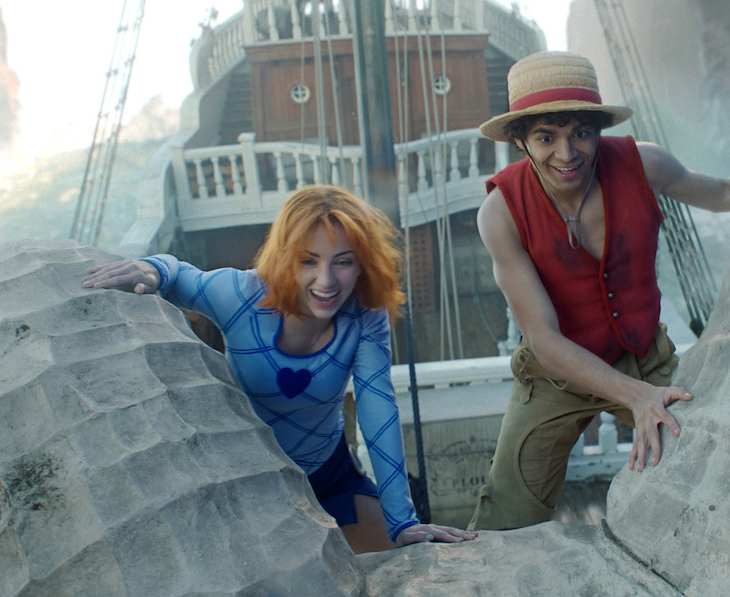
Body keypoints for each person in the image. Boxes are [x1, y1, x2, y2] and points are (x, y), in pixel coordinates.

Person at [468, 51, 730, 531]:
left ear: (597, 131)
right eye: (547, 137)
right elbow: (543, 339)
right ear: (520, 141)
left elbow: (723, 192)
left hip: (646, 359)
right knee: (506, 513)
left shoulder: (642, 164)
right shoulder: (500, 213)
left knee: (714, 471)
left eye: (580, 133)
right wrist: (635, 397)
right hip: (554, 377)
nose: (567, 154)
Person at [83, 184, 477, 553]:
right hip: (251, 477)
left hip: (329, 470)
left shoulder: (365, 316)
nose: (326, 281)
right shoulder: (242, 294)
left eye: (342, 262)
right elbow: (183, 275)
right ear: (286, 258)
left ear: (362, 265)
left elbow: (378, 410)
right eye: (309, 261)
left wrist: (403, 521)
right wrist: (155, 269)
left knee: (397, 559)